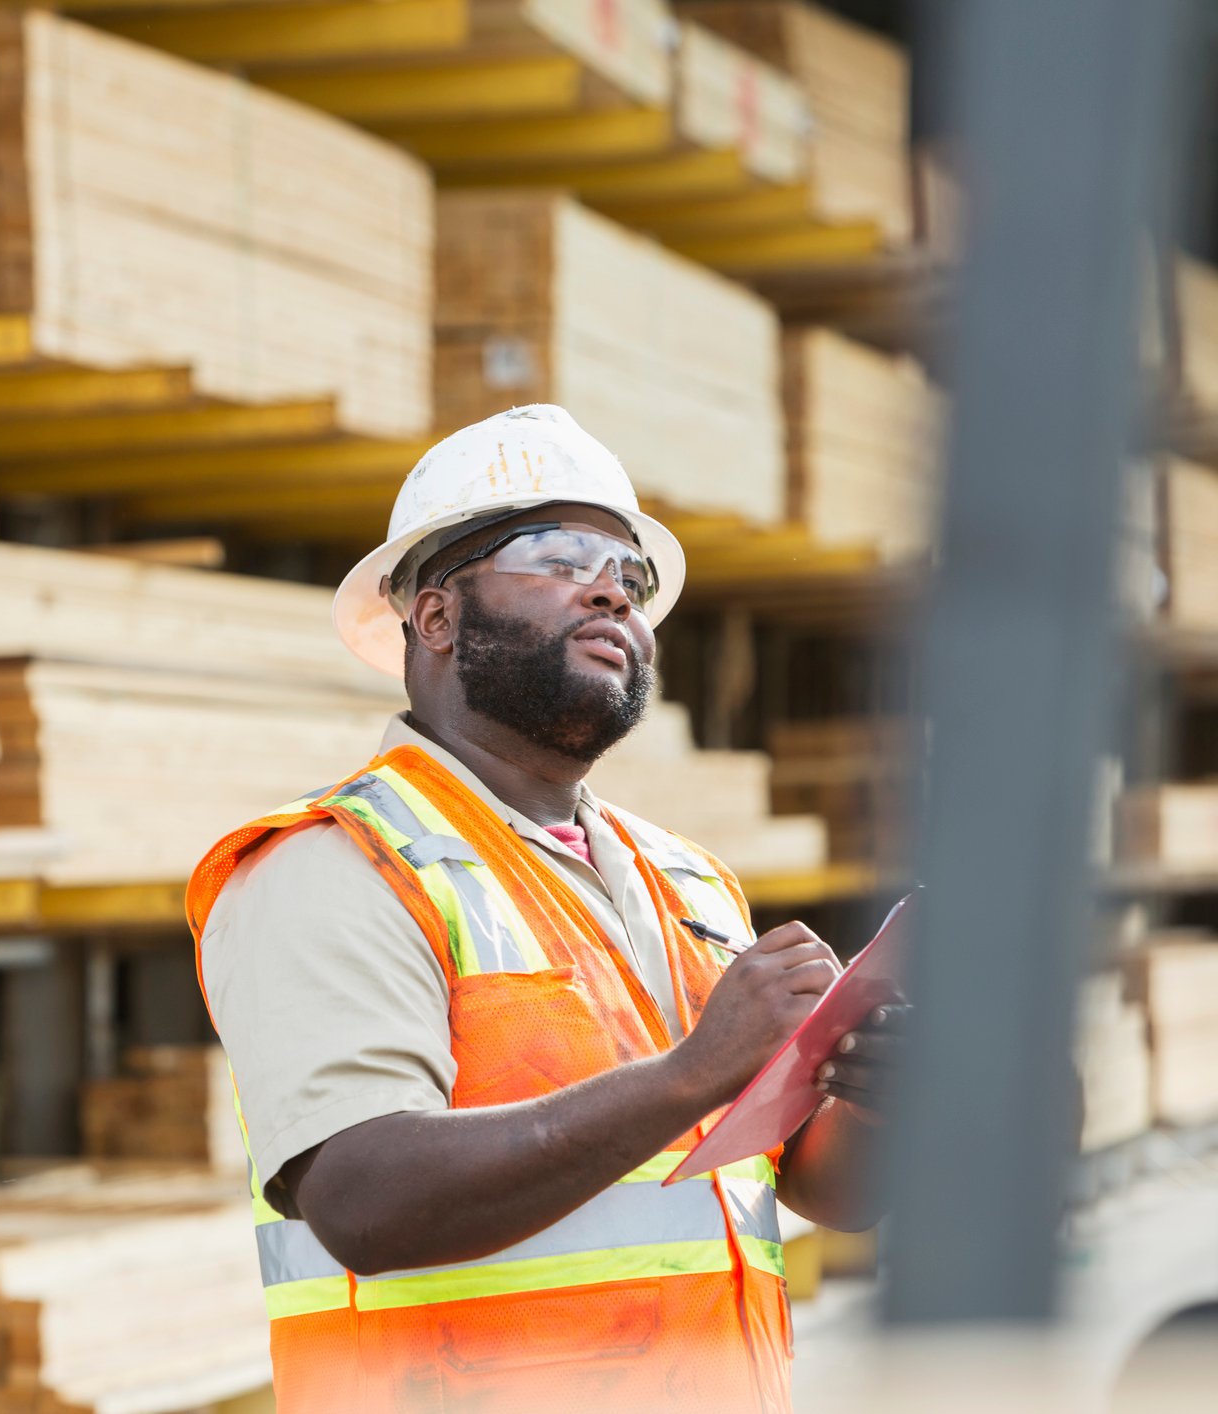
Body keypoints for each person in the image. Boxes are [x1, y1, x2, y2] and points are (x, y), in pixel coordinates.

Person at [186, 406, 901, 1413]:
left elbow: (814, 1191)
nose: (612, 587)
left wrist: (877, 1096)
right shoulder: (332, 867)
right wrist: (695, 1069)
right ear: (434, 617)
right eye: (562, 555)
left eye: (631, 574)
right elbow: (365, 1200)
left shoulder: (687, 881)